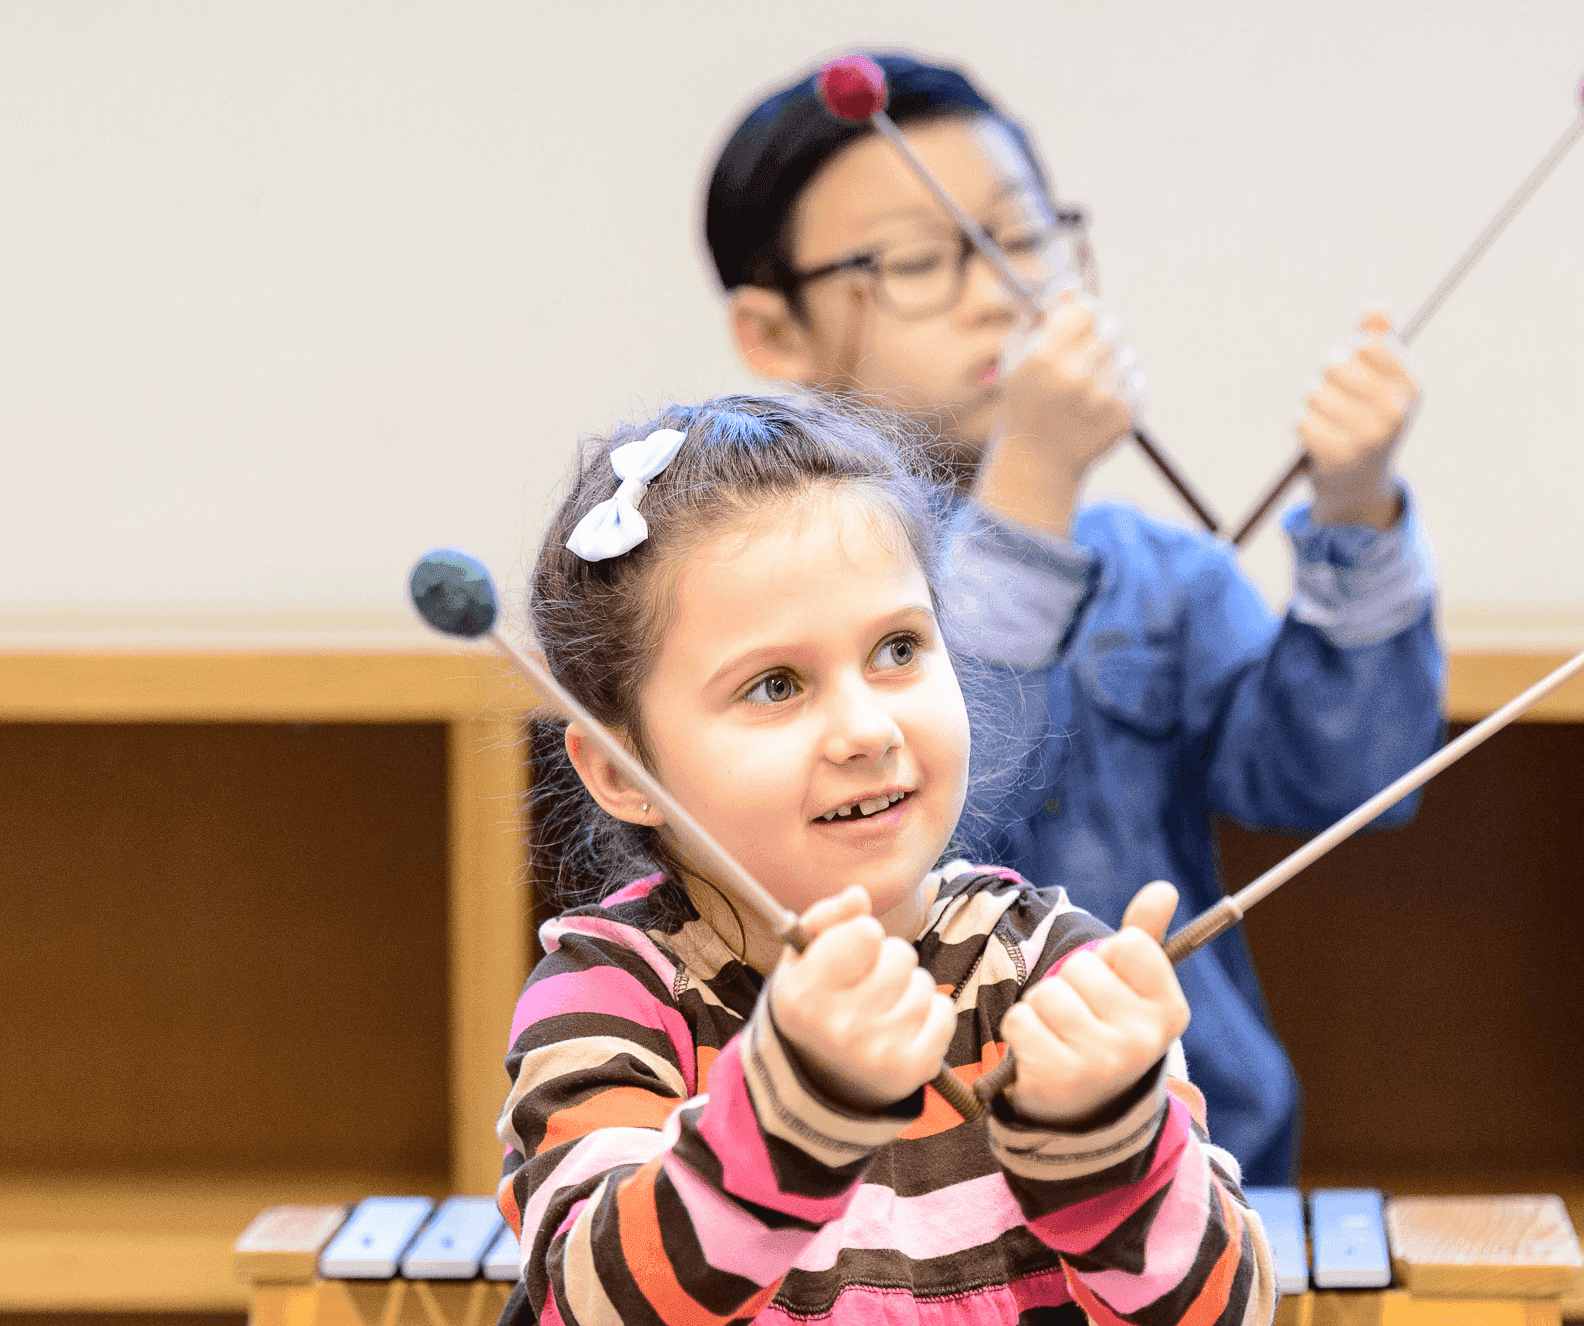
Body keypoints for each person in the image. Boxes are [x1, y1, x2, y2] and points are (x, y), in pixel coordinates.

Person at [702, 53, 1445, 1184]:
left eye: (1021, 237)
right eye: (917, 261)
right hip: (873, 1195)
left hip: (1180, 1162)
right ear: (774, 334)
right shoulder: (743, 596)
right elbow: (937, 819)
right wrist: (1032, 482)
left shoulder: (1155, 576)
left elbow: (1350, 781)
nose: (999, 292)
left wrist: (1354, 505)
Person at [499, 395, 1273, 1326]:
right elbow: (592, 1304)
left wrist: (1108, 1144)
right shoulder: (613, 996)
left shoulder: (1052, 968)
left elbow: (1226, 1311)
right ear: (618, 772)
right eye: (775, 685)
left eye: (898, 648)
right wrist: (789, 1113)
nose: (867, 729)